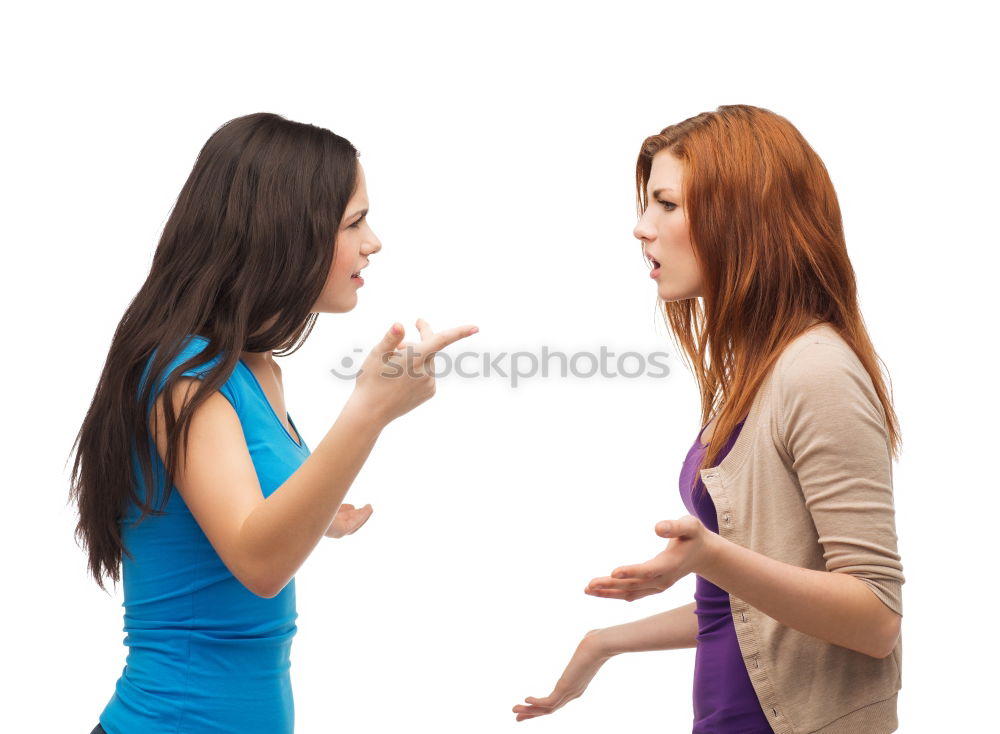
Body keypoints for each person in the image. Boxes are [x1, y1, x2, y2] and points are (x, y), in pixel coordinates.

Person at [68, 112, 478, 734]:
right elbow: (259, 564)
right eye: (355, 222)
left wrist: (325, 512)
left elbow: (252, 507)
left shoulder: (256, 368)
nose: (374, 242)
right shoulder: (183, 375)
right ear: (286, 231)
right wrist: (368, 411)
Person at [513, 104, 905, 733]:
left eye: (666, 204)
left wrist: (711, 556)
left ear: (743, 218)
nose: (642, 228)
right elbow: (753, 615)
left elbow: (875, 619)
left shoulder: (817, 372)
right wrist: (604, 642)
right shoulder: (756, 374)